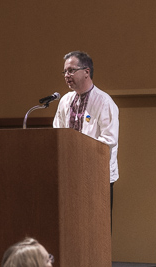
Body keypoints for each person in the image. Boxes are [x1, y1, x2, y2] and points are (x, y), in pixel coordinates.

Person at [53, 50, 119, 217]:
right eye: (65, 71)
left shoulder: (104, 101)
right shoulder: (65, 101)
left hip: (97, 178)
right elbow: (57, 133)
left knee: (97, 226)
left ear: (86, 72)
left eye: (71, 70)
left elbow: (109, 139)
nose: (67, 75)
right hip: (70, 176)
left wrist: (79, 149)